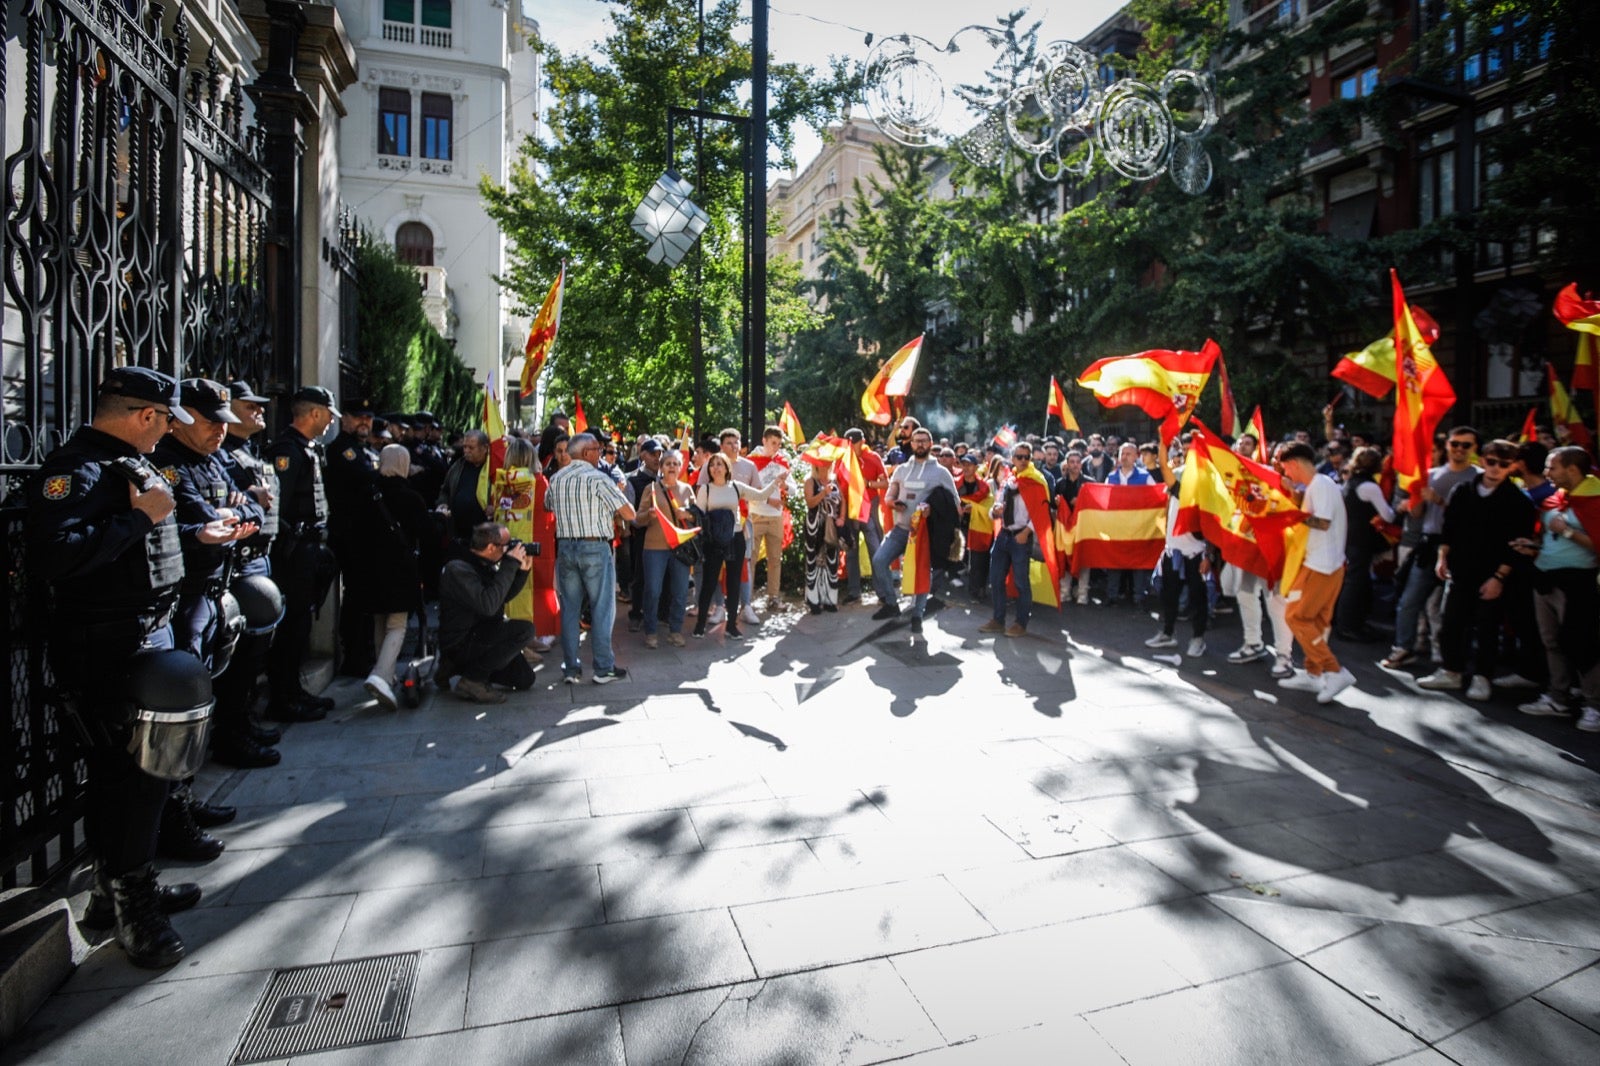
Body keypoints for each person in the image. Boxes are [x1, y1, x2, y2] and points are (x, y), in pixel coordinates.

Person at [27, 366, 204, 968]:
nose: (166, 433)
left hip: (145, 637)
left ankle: (115, 890)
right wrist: (139, 518)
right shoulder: (77, 471)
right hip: (105, 649)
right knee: (128, 776)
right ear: (143, 416)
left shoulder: (128, 462)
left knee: (144, 773)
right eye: (164, 421)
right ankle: (135, 910)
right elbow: (53, 557)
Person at [1417, 439, 1538, 699]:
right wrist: (1442, 557)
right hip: (1460, 570)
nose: (1495, 468)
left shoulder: (1518, 502)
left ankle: (1482, 677)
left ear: (1512, 467)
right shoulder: (1462, 490)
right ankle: (1452, 671)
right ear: (1482, 460)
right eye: (1491, 461)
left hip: (1493, 574)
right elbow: (1449, 527)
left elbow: (1516, 545)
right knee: (1451, 623)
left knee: (1487, 627)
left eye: (1503, 464)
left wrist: (1499, 577)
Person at [264, 387, 340, 722]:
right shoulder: (287, 451)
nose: (329, 423)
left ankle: (294, 692)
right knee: (290, 629)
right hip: (293, 555)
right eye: (327, 415)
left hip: (309, 550)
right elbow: (277, 508)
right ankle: (283, 698)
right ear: (314, 413)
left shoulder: (308, 448)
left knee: (300, 627)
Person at [1515, 446, 1600, 731]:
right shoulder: (1556, 498)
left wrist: (1568, 531)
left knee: (1582, 642)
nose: (1546, 472)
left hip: (1578, 582)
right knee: (1551, 641)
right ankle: (1558, 698)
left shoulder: (1596, 498)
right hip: (1544, 577)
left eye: (1552, 467)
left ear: (1572, 470)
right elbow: (1551, 536)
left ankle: (1594, 706)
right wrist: (1533, 547)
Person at [1381, 427, 1481, 668]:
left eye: (1466, 445)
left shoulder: (1478, 477)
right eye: (1455, 444)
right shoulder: (1430, 474)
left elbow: (1477, 518)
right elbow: (1416, 513)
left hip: (1462, 546)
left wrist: (1441, 501)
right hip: (1428, 543)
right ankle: (1404, 647)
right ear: (1447, 445)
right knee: (1409, 600)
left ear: (1474, 448)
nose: (1459, 449)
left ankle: (1445, 654)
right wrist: (1415, 500)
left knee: (1448, 609)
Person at [546, 432, 635, 682]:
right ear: (586, 453)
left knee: (570, 609)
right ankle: (603, 667)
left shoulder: (556, 478)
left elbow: (547, 505)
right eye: (598, 449)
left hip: (566, 546)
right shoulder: (598, 479)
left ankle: (571, 669)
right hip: (595, 546)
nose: (601, 453)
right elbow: (628, 513)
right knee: (602, 608)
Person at [1276, 441, 1356, 703]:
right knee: (1317, 622)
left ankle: (1335, 670)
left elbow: (1321, 522)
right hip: (1328, 565)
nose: (1286, 474)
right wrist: (1295, 497)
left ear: (1293, 464)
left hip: (1321, 565)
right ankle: (1313, 674)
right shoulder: (1319, 486)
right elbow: (1313, 512)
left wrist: (1288, 514)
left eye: (1285, 469)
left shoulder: (1321, 484)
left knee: (1296, 617)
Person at [350, 444, 429, 710]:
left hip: (370, 569)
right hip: (399, 568)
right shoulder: (409, 497)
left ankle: (386, 673)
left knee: (379, 621)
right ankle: (382, 674)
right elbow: (424, 530)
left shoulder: (365, 493)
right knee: (398, 623)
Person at [437, 523, 537, 704]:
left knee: (524, 679)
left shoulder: (485, 563)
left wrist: (521, 572)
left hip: (483, 634)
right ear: (491, 547)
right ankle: (472, 679)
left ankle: (453, 668)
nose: (511, 549)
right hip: (462, 640)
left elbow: (500, 597)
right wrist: (510, 564)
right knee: (525, 630)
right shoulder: (458, 569)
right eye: (508, 545)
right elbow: (488, 605)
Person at [871, 427, 958, 632]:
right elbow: (888, 496)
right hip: (901, 529)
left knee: (922, 574)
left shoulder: (941, 472)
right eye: (916, 441)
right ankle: (892, 604)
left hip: (923, 535)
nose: (920, 444)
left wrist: (932, 508)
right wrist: (894, 503)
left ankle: (918, 615)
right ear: (911, 444)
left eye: (924, 441)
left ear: (930, 444)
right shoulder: (901, 470)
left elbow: (954, 502)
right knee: (879, 560)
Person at [324, 399, 380, 676]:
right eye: (358, 417)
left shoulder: (362, 449)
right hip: (350, 535)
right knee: (357, 598)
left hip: (365, 535)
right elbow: (366, 478)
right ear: (344, 419)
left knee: (364, 597)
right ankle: (355, 657)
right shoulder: (341, 450)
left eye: (368, 418)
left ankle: (364, 653)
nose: (364, 423)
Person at [980, 441, 1045, 637]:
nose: (1023, 460)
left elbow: (1041, 512)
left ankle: (1020, 623)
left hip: (1020, 537)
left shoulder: (1036, 480)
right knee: (996, 579)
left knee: (1021, 583)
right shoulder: (1008, 480)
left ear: (1031, 458)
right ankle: (998, 619)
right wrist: (995, 511)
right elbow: (995, 508)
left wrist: (1026, 532)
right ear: (1013, 458)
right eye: (1019, 457)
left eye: (1027, 457)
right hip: (1004, 536)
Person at [1333, 446, 1396, 643]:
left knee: (1355, 581)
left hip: (1349, 537)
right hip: (1361, 540)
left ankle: (1352, 623)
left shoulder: (1351, 481)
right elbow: (1388, 515)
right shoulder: (1370, 486)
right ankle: (1347, 626)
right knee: (1355, 582)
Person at [634, 450, 696, 647]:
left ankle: (675, 631)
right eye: (668, 463)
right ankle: (651, 632)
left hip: (680, 548)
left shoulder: (687, 489)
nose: (671, 467)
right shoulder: (651, 488)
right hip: (654, 548)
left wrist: (688, 515)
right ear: (661, 468)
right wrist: (649, 515)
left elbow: (697, 517)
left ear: (681, 467)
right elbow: (637, 519)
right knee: (653, 590)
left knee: (679, 591)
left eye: (675, 464)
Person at [1145, 465, 1209, 657]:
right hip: (1173, 552)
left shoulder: (1203, 496)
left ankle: (1198, 638)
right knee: (1168, 595)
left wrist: (1208, 555)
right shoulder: (1172, 494)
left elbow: (1211, 525)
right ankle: (1167, 633)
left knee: (1198, 598)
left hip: (1196, 554)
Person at [694, 452, 747, 640]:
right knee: (709, 581)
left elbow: (760, 494)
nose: (716, 467)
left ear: (727, 468)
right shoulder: (705, 489)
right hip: (713, 541)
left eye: (720, 464)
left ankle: (731, 626)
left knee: (734, 583)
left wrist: (776, 484)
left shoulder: (736, 487)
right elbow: (698, 514)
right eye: (712, 464)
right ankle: (700, 624)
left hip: (735, 539)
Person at [839, 428, 887, 604]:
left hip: (869, 508)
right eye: (849, 444)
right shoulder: (843, 458)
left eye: (854, 443)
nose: (851, 447)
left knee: (876, 550)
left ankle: (882, 592)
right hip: (850, 508)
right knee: (851, 552)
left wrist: (868, 483)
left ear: (862, 441)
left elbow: (885, 483)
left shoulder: (873, 457)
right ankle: (854, 592)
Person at [749, 426, 791, 611]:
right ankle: (746, 599)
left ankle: (773, 597)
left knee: (775, 559)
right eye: (773, 443)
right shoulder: (750, 462)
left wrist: (785, 486)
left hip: (775, 517)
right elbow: (746, 491)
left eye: (779, 444)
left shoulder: (782, 462)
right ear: (764, 440)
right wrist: (768, 499)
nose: (776, 447)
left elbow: (794, 489)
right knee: (750, 559)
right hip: (755, 515)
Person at [624, 440, 664, 631]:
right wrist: (643, 519)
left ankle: (661, 613)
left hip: (664, 536)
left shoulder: (667, 478)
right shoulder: (633, 481)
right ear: (642, 455)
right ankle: (636, 613)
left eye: (659, 453)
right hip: (642, 536)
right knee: (640, 576)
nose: (657, 458)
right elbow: (629, 513)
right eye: (652, 453)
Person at [802, 456, 842, 613]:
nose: (827, 464)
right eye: (824, 462)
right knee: (814, 561)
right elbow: (810, 502)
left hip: (831, 525)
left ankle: (830, 600)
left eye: (829, 462)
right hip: (815, 525)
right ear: (816, 465)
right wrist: (824, 493)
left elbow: (842, 500)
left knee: (831, 560)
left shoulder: (834, 480)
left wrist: (842, 517)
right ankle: (813, 601)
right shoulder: (810, 481)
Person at [438, 429, 491, 541]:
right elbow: (445, 490)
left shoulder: (492, 470)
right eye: (464, 447)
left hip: (485, 533)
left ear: (485, 448)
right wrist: (442, 503)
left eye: (471, 448)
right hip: (458, 532)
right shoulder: (458, 466)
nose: (466, 451)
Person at [956, 452, 994, 599]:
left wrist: (974, 509)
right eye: (963, 464)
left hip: (978, 527)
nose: (965, 468)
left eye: (969, 465)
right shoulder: (955, 484)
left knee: (979, 559)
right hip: (960, 525)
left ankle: (977, 589)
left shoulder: (984, 487)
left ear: (976, 467)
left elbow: (988, 506)